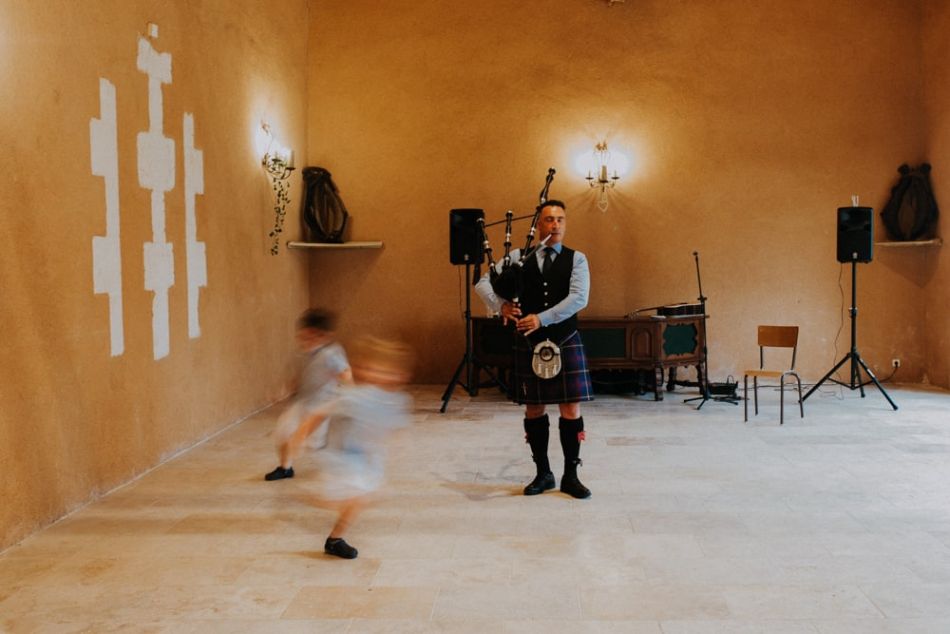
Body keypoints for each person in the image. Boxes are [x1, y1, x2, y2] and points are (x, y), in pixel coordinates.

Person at [475, 200, 593, 499]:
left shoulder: (577, 259)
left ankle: (571, 476)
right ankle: (543, 474)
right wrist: (500, 306)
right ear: (538, 224)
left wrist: (542, 318)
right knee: (534, 408)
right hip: (529, 343)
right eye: (549, 219)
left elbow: (579, 298)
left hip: (565, 339)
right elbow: (483, 283)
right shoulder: (518, 256)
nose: (555, 224)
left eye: (560, 219)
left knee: (571, 408)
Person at [280, 335, 414, 559]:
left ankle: (335, 539)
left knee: (361, 499)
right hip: (343, 457)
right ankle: (319, 500)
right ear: (364, 371)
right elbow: (319, 414)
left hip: (369, 458)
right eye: (375, 370)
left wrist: (398, 443)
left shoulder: (397, 400)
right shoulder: (353, 397)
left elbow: (396, 425)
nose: (382, 376)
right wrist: (299, 436)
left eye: (388, 372)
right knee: (356, 497)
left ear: (400, 376)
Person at [265, 308, 351, 481]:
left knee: (313, 444)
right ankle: (285, 468)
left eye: (311, 337)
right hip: (301, 402)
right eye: (303, 337)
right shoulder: (305, 353)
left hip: (321, 406)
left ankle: (340, 457)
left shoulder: (331, 353)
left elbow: (346, 373)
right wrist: (285, 390)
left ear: (325, 336)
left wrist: (350, 393)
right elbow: (301, 377)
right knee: (283, 432)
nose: (306, 341)